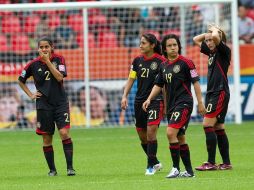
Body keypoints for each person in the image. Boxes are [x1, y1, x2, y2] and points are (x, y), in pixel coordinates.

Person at [143, 34, 206, 178]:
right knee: (180, 138)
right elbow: (159, 85)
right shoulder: (163, 66)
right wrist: (149, 99)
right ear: (164, 49)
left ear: (178, 46)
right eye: (170, 46)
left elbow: (196, 83)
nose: (173, 48)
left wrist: (200, 102)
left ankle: (176, 168)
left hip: (184, 103)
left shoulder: (187, 63)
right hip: (171, 105)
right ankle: (189, 172)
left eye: (175, 45)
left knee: (170, 133)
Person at [18, 37, 75, 176]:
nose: (44, 50)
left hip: (60, 103)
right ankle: (52, 170)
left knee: (64, 133)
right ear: (38, 49)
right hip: (44, 105)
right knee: (47, 138)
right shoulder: (33, 64)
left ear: (52, 47)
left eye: (46, 47)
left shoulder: (59, 60)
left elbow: (60, 77)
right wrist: (31, 94)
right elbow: (21, 80)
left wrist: (48, 62)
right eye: (41, 47)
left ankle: (70, 168)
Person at [121, 33, 165, 175]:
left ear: (152, 45)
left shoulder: (161, 62)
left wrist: (167, 103)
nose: (140, 45)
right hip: (139, 101)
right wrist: (124, 96)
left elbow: (164, 85)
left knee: (151, 132)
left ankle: (150, 166)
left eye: (144, 43)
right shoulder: (137, 61)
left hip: (155, 101)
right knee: (142, 135)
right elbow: (131, 79)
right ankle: (155, 162)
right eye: (140, 43)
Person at [193, 24, 232, 170]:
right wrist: (208, 33)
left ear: (219, 38)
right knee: (218, 126)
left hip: (219, 92)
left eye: (211, 40)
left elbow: (216, 37)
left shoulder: (224, 50)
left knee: (207, 124)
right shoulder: (211, 53)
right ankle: (226, 163)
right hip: (213, 92)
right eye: (207, 40)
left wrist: (216, 30)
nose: (208, 42)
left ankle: (210, 162)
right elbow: (196, 39)